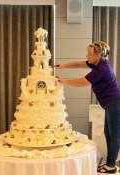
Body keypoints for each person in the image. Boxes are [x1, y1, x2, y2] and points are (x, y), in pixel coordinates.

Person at [55, 41, 120, 174]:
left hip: (116, 103)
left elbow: (82, 82)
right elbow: (79, 64)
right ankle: (109, 164)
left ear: (97, 56)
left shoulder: (102, 69)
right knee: (109, 134)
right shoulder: (97, 63)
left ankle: (111, 166)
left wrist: (64, 81)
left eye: (89, 54)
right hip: (111, 104)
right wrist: (63, 66)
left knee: (114, 135)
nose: (86, 56)